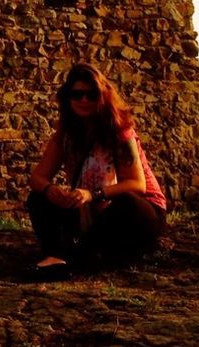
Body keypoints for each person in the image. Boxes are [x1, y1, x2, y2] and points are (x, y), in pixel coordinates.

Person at [25, 63, 167, 278]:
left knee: (126, 203)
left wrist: (92, 195)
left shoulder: (120, 132)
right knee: (38, 199)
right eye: (77, 94)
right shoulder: (65, 135)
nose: (84, 100)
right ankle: (57, 255)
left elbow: (137, 185)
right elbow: (37, 178)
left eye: (91, 94)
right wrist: (51, 189)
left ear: (102, 96)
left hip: (137, 210)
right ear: (67, 98)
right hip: (91, 212)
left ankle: (78, 255)